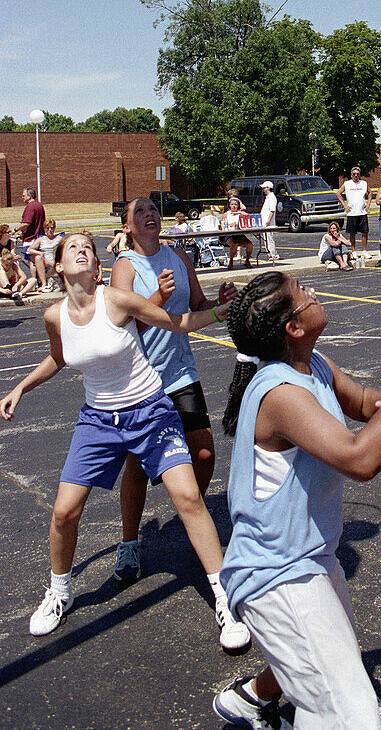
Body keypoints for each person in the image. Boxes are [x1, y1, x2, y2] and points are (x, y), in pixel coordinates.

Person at [0, 232, 246, 648]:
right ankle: (59, 591)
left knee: (188, 498)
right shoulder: (54, 316)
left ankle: (226, 598)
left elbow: (177, 322)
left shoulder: (116, 299)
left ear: (97, 267)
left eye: (87, 248)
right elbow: (59, 358)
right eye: (72, 247)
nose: (82, 249)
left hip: (150, 410)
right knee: (63, 511)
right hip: (99, 421)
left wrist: (221, 312)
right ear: (57, 265)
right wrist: (21, 387)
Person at [213, 271, 381, 729]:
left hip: (311, 559)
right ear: (293, 327)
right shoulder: (282, 393)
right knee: (350, 716)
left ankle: (250, 701)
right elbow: (360, 459)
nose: (313, 292)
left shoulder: (313, 365)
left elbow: (365, 402)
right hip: (277, 574)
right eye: (303, 293)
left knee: (318, 660)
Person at [109, 197, 238, 587]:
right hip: (139, 380)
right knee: (136, 464)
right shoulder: (124, 268)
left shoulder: (180, 258)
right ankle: (129, 542)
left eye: (153, 209)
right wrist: (157, 301)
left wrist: (222, 302)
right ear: (128, 227)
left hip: (181, 374)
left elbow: (197, 306)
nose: (149, 215)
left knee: (203, 451)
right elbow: (123, 327)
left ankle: (189, 513)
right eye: (139, 212)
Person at [337, 166, 373, 256]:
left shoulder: (364, 183)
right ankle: (353, 251)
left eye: (357, 174)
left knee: (365, 232)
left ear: (359, 175)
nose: (356, 175)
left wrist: (368, 204)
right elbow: (338, 193)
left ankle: (364, 251)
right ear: (351, 175)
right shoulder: (347, 184)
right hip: (352, 213)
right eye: (354, 174)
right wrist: (344, 204)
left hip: (362, 212)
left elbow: (370, 192)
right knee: (352, 233)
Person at [26, 218, 64, 291]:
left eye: (52, 228)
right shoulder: (41, 239)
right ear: (44, 229)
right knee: (38, 258)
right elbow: (29, 249)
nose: (50, 230)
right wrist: (40, 253)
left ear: (54, 228)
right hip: (44, 260)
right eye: (47, 228)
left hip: (55, 259)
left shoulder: (59, 239)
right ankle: (43, 283)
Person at [221, 191, 253, 269]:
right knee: (234, 244)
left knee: (250, 244)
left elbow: (247, 217)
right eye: (232, 204)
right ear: (229, 205)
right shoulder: (226, 214)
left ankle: (247, 260)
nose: (234, 206)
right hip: (229, 235)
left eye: (235, 204)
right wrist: (229, 226)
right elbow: (222, 225)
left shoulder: (240, 213)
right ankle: (231, 261)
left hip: (239, 234)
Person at [19, 186, 45, 264]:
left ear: (29, 196)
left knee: (31, 260)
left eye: (24, 195)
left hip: (31, 238)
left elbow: (27, 222)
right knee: (38, 260)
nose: (22, 197)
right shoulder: (39, 205)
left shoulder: (30, 206)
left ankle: (34, 276)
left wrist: (15, 229)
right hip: (39, 236)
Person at [259, 181, 279, 264]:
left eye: (264, 188)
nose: (263, 189)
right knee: (266, 239)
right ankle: (270, 254)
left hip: (268, 223)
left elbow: (272, 210)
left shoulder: (272, 197)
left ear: (268, 188)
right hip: (264, 222)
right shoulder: (268, 197)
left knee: (269, 239)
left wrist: (268, 221)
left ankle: (273, 255)